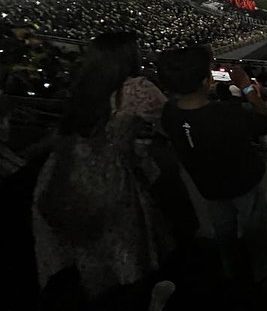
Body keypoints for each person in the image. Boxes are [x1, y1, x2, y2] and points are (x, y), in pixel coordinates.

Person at [33, 31, 171, 301]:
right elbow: (171, 121)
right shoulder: (137, 88)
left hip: (62, 171)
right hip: (106, 177)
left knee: (82, 260)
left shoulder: (83, 83)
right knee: (121, 257)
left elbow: (65, 131)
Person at [158, 45, 267, 301]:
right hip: (242, 183)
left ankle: (229, 267)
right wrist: (246, 87)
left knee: (224, 230)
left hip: (208, 187)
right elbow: (264, 120)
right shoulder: (226, 114)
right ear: (205, 81)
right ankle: (261, 268)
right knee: (255, 226)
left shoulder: (169, 113)